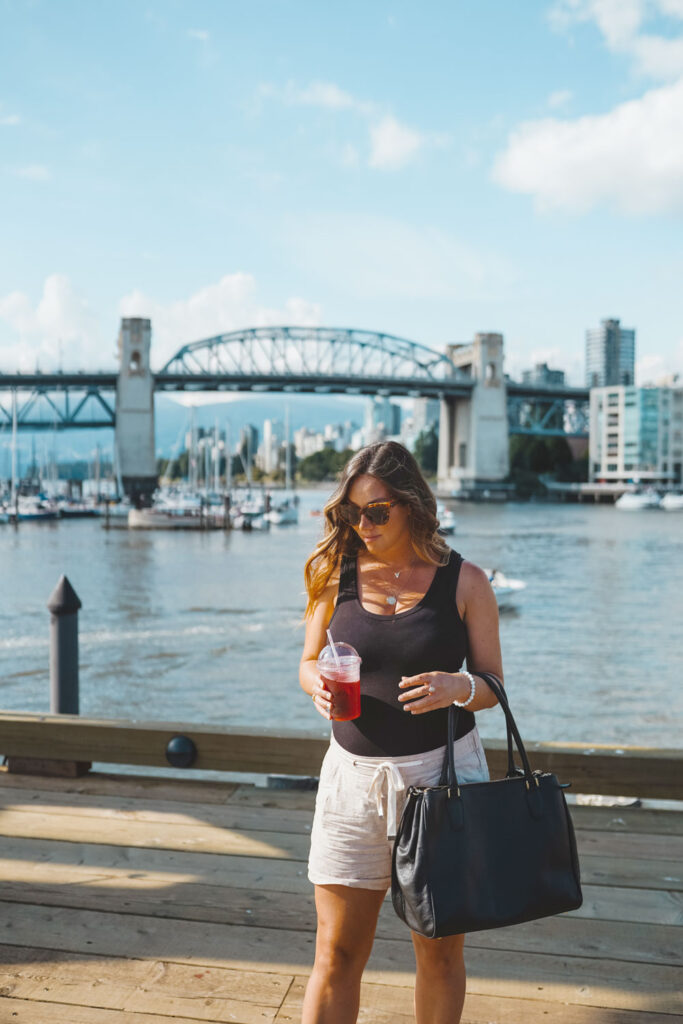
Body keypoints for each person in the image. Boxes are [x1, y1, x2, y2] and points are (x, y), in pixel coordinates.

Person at [299, 440, 504, 1024]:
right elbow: (308, 659)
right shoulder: (330, 574)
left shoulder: (465, 581)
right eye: (351, 513)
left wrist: (456, 687)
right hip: (351, 785)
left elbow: (492, 684)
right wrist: (314, 682)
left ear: (412, 503)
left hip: (443, 784)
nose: (362, 525)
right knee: (336, 953)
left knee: (438, 955)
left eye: (376, 511)